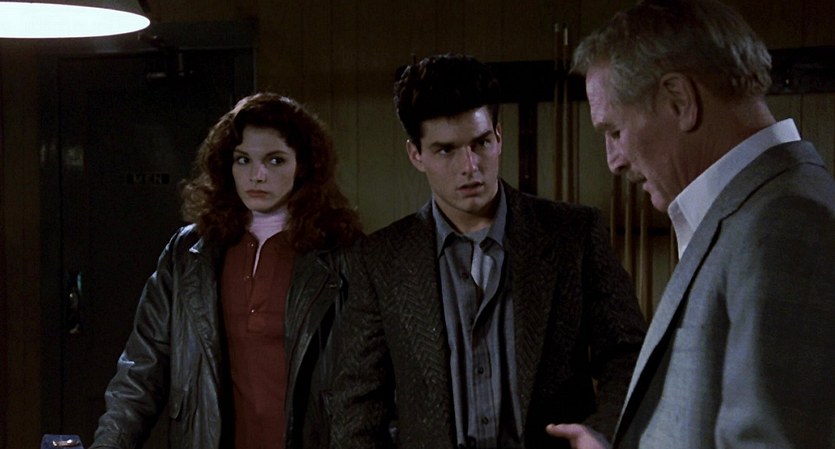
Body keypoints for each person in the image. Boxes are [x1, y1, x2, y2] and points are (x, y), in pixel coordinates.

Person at [328, 53, 647, 449]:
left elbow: (628, 354)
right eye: (446, 150)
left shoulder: (573, 235)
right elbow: (357, 403)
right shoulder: (381, 259)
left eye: (480, 143)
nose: (469, 166)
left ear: (498, 136)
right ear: (416, 155)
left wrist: (600, 431)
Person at [565, 0, 835, 448]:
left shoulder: (787, 226)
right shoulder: (755, 213)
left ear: (680, 100)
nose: (613, 161)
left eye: (614, 132)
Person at [90, 93, 363, 449]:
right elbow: (141, 370)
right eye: (243, 160)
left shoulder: (342, 255)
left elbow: (371, 383)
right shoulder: (189, 252)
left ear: (304, 166)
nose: (257, 175)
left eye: (275, 160)